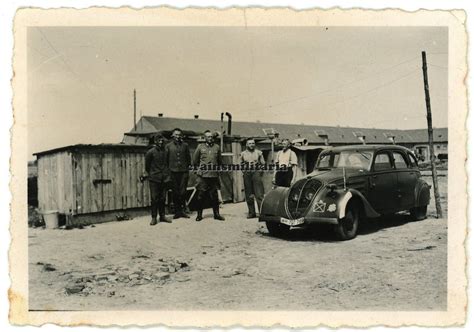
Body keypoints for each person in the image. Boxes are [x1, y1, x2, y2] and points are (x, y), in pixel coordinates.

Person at [192, 130, 225, 222]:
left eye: (211, 137)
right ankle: (199, 215)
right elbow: (195, 161)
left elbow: (219, 161)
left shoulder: (217, 147)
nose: (210, 138)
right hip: (203, 176)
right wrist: (197, 171)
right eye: (208, 137)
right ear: (205, 138)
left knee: (214, 196)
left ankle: (216, 214)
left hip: (213, 176)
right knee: (200, 196)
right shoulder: (200, 147)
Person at [145, 134, 172, 225]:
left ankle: (162, 216)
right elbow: (147, 166)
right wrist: (153, 174)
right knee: (154, 199)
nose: (161, 142)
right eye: (159, 140)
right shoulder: (150, 152)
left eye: (162, 140)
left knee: (163, 198)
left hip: (164, 179)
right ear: (155, 142)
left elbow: (168, 164)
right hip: (154, 179)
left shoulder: (166, 151)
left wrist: (166, 176)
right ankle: (153, 218)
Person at [166, 128, 191, 219]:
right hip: (173, 172)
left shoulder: (185, 145)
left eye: (179, 135)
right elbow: (166, 160)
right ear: (173, 136)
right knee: (175, 192)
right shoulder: (168, 146)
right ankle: (177, 212)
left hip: (183, 172)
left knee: (183, 192)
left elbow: (188, 159)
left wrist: (187, 170)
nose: (177, 136)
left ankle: (183, 211)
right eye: (176, 135)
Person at [240, 138, 266, 218]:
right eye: (250, 143)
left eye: (253, 143)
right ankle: (252, 212)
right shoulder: (243, 154)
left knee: (259, 194)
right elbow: (241, 164)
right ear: (247, 145)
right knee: (249, 194)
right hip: (247, 173)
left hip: (256, 172)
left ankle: (262, 213)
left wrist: (259, 172)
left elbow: (263, 163)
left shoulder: (259, 152)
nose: (252, 145)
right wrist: (244, 171)